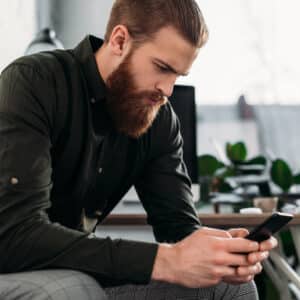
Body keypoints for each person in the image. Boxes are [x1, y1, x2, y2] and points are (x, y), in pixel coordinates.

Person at [0, 0, 277, 299]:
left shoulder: (158, 120)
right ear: (120, 40)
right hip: (12, 267)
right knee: (74, 290)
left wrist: (218, 253)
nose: (168, 90)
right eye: (162, 68)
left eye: (177, 76)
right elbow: (16, 235)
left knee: (226, 288)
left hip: (79, 273)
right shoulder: (33, 81)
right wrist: (164, 260)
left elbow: (179, 229)